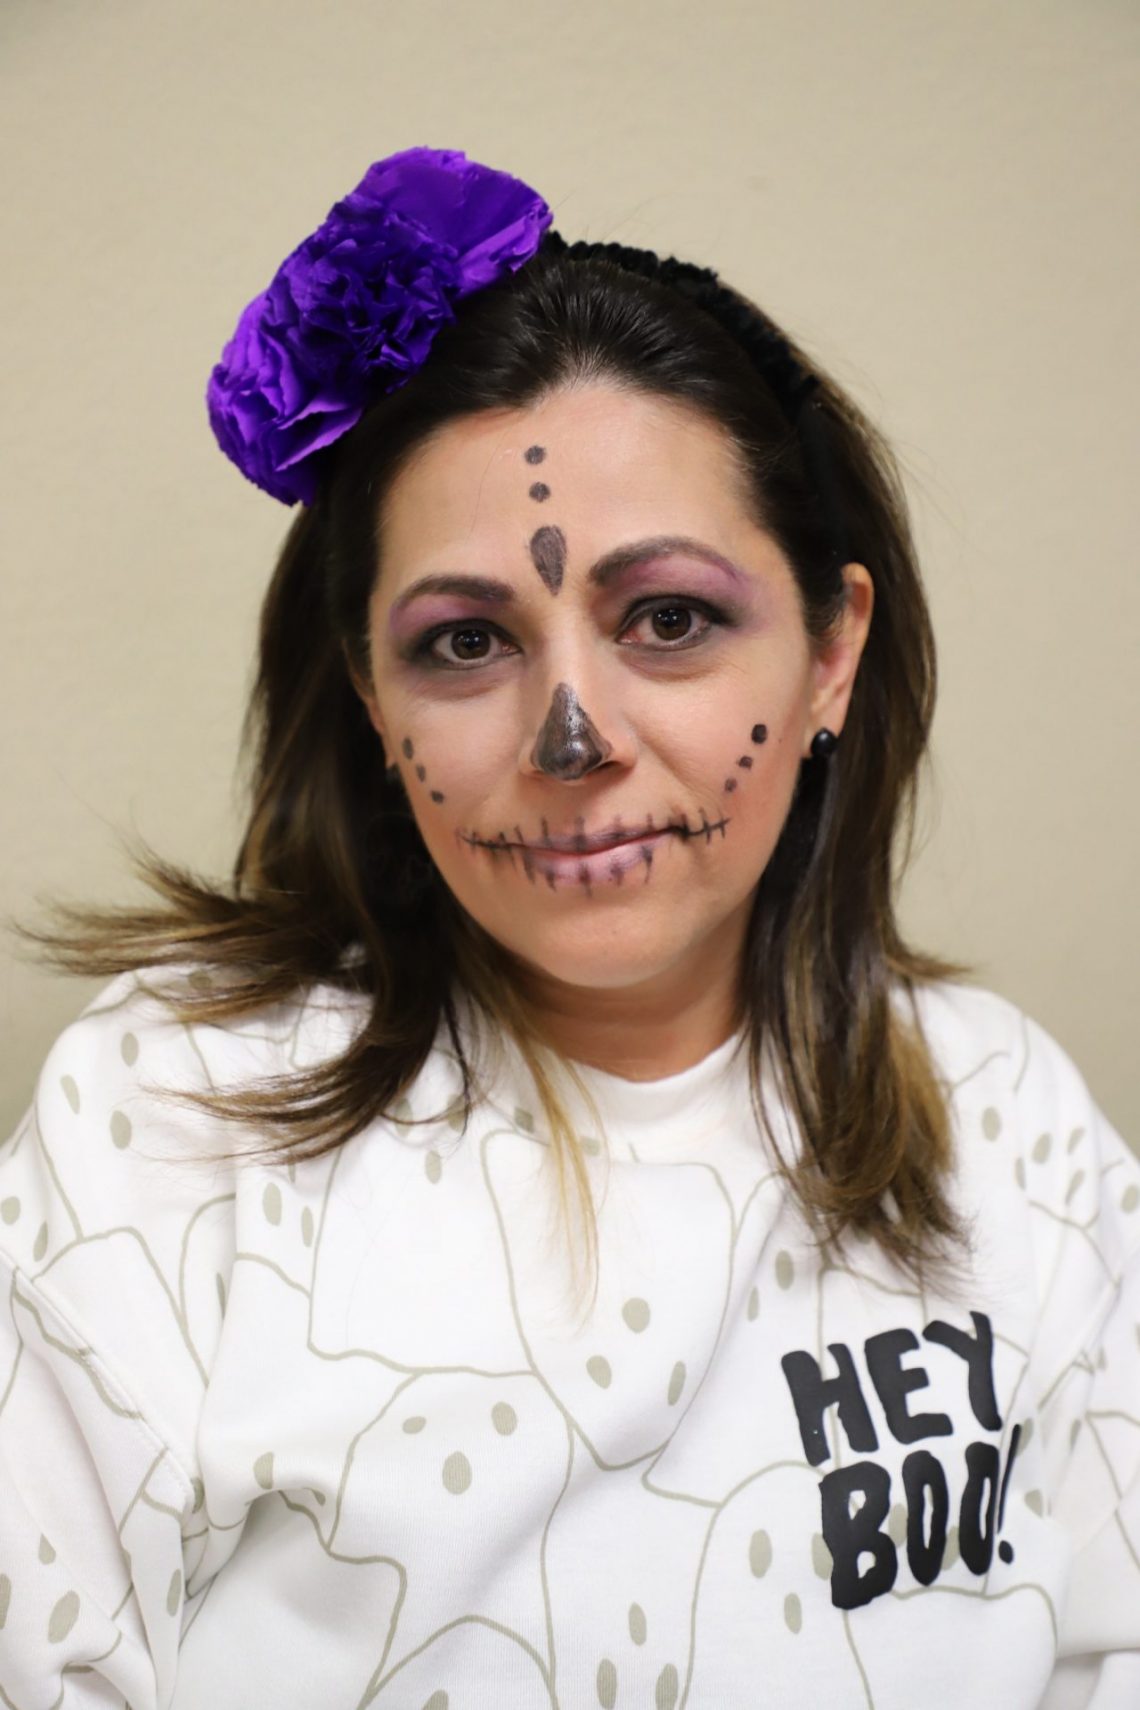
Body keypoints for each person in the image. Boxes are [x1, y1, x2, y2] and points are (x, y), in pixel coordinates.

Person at [0, 146, 1135, 1710]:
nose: (573, 739)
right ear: (370, 694)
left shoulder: (1011, 1124)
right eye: (466, 641)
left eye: (669, 619)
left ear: (830, 653)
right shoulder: (169, 1115)